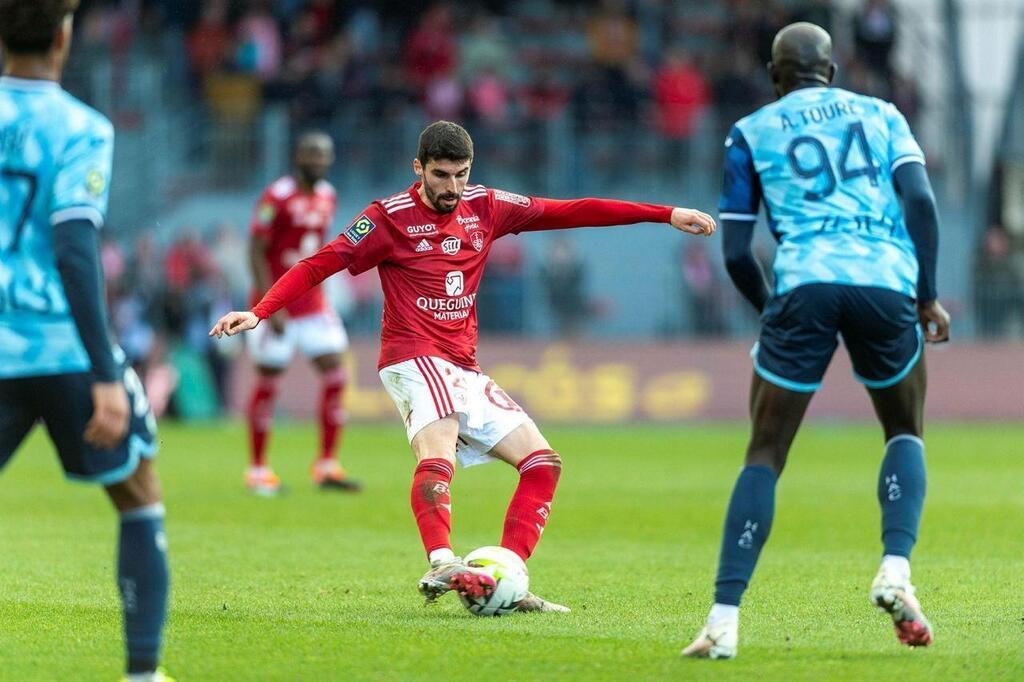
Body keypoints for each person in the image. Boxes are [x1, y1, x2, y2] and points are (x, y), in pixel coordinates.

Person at [211, 120, 716, 611]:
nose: (452, 186)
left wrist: (665, 213)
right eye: (441, 175)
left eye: (461, 174)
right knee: (438, 459)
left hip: (464, 365)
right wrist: (258, 311)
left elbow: (572, 210)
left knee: (543, 464)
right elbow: (321, 262)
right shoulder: (386, 218)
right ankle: (441, 561)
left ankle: (507, 579)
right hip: (412, 354)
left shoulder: (488, 206)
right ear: (419, 168)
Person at [682, 23, 949, 659]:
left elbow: (737, 250)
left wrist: (771, 310)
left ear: (775, 74)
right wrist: (926, 293)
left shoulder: (751, 130)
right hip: (884, 280)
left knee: (765, 453)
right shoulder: (883, 114)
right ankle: (895, 568)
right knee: (904, 430)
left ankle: (723, 621)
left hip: (804, 283)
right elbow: (921, 200)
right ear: (831, 69)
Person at [0, 2, 170, 680]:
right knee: (139, 490)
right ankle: (142, 673)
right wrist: (106, 371)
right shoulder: (81, 128)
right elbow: (74, 247)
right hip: (65, 349)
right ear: (65, 37)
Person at [245, 131, 360, 495]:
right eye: (311, 153)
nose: (317, 160)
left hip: (312, 303)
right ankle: (259, 470)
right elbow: (256, 250)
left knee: (336, 374)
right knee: (270, 379)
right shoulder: (276, 196)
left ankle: (326, 465)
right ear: (297, 156)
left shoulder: (327, 195)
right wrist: (269, 302)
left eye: (323, 155)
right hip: (275, 304)